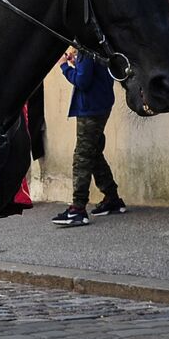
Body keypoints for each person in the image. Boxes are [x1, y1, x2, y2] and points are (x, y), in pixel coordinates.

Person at [51, 50, 125, 227]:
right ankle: (112, 198)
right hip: (101, 104)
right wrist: (77, 64)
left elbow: (83, 81)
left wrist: (63, 66)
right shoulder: (98, 47)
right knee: (94, 153)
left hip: (90, 109)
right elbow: (93, 73)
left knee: (82, 156)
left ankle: (78, 209)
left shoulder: (86, 49)